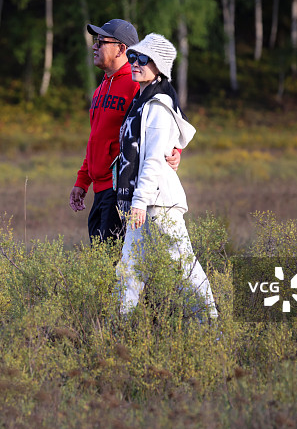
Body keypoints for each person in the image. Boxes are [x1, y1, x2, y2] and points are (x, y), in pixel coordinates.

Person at [115, 33, 218, 320]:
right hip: (144, 203)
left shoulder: (157, 106)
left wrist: (137, 202)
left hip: (158, 205)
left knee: (184, 266)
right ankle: (117, 330)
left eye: (143, 59)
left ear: (158, 66)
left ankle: (212, 327)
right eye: (133, 57)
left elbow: (152, 162)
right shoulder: (141, 101)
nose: (135, 63)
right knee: (129, 269)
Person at [70, 19, 181, 243]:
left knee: (113, 266)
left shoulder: (136, 84)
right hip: (99, 191)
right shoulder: (101, 88)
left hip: (118, 189)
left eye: (100, 42)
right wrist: (82, 181)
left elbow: (167, 116)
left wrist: (175, 149)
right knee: (102, 265)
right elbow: (97, 139)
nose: (94, 46)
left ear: (122, 49)